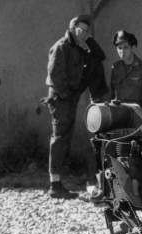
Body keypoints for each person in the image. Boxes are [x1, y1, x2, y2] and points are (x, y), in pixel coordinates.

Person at [44, 15, 109, 199]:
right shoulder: (62, 46)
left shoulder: (79, 47)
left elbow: (100, 57)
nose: (84, 34)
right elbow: (55, 75)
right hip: (60, 98)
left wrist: (87, 39)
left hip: (69, 99)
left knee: (64, 138)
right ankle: (54, 185)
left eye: (87, 31)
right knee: (59, 139)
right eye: (81, 30)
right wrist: (68, 96)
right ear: (72, 28)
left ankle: (57, 183)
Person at [110, 30, 142, 110]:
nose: (122, 51)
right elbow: (112, 95)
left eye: (125, 47)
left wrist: (141, 111)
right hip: (118, 114)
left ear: (133, 47)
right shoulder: (115, 68)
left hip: (137, 114)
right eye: (119, 48)